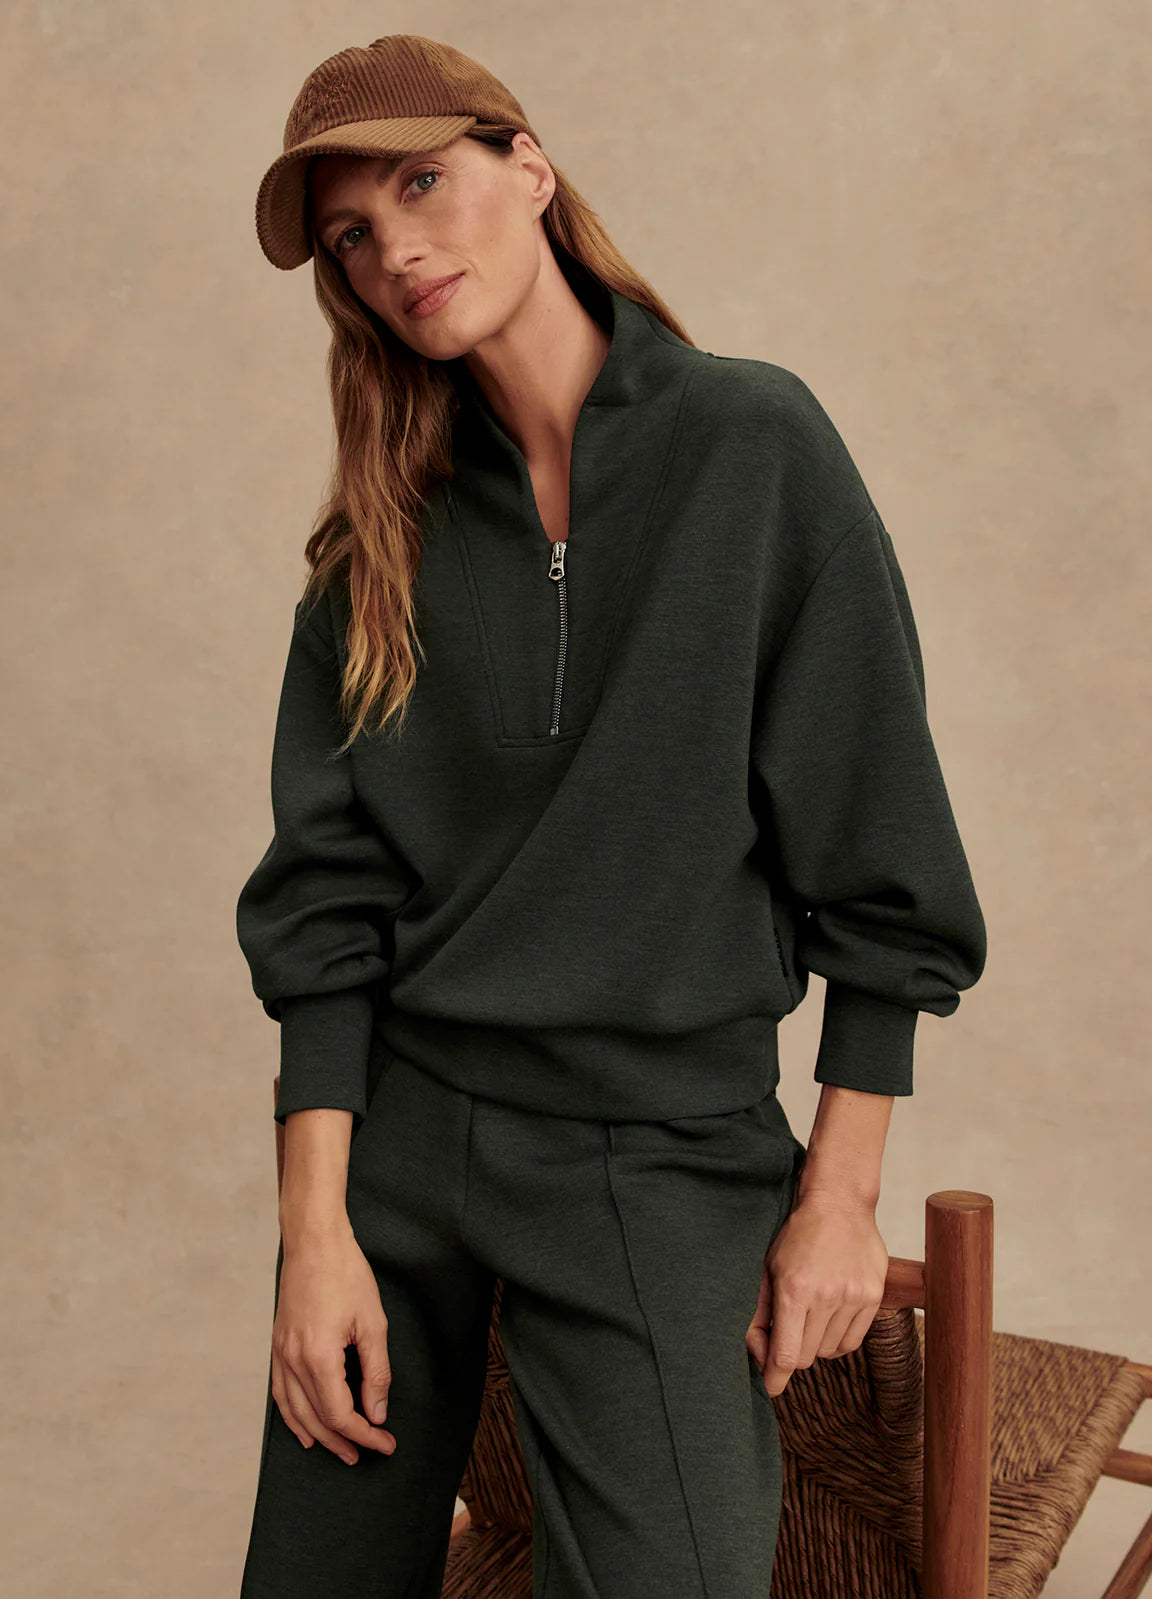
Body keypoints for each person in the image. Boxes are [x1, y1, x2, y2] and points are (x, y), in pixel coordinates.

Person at [235, 32, 988, 1599]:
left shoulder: (753, 448)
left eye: (422, 183)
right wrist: (315, 1241)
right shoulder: (376, 543)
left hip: (658, 1153)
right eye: (354, 235)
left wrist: (840, 1195)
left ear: (531, 168)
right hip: (399, 1139)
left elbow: (885, 858)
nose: (393, 250)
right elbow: (324, 910)